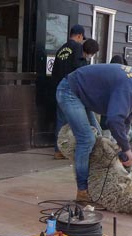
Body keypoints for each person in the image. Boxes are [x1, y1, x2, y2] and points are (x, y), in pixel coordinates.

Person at [56, 64, 132, 203]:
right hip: (70, 90)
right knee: (87, 140)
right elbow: (114, 120)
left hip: (83, 92)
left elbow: (126, 119)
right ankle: (83, 191)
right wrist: (126, 149)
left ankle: (95, 182)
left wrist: (121, 146)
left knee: (100, 141)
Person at [51, 25, 94, 159]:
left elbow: (54, 71)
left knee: (60, 120)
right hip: (73, 90)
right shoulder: (78, 48)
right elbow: (81, 69)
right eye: (82, 38)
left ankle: (58, 150)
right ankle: (75, 150)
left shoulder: (60, 50)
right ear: (80, 36)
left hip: (59, 89)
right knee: (78, 121)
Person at [100, 55, 128, 135]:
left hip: (105, 104)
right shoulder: (123, 74)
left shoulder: (106, 71)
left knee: (105, 125)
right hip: (116, 106)